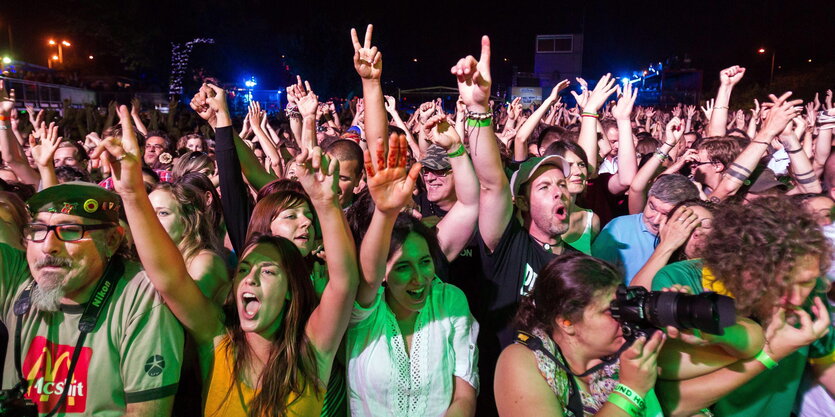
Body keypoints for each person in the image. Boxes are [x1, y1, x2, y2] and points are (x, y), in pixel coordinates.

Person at [95, 98, 359, 417]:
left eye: (268, 271)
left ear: (292, 288)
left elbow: (343, 283)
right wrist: (132, 193)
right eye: (245, 268)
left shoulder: (314, 347)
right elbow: (169, 277)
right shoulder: (217, 341)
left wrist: (326, 203)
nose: (249, 278)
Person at [0, 181, 184, 416]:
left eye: (69, 230)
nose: (48, 246)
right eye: (38, 229)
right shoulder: (18, 276)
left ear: (111, 241)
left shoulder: (140, 296)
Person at [651, 196, 835, 417]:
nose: (796, 299)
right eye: (780, 282)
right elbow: (672, 403)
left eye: (806, 282)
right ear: (744, 266)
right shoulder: (682, 281)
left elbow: (826, 365)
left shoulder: (809, 293)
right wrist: (770, 352)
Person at [346, 131, 479, 417]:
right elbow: (368, 276)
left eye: (425, 262)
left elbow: (464, 393)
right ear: (383, 272)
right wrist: (385, 212)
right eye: (403, 267)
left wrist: (456, 147)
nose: (420, 278)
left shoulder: (449, 301)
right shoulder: (364, 312)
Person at [494, 253, 666, 417]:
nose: (623, 317)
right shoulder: (522, 360)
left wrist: (686, 329)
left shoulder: (624, 350)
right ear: (566, 322)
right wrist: (630, 390)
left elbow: (677, 397)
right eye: (611, 311)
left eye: (622, 306)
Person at [592, 174, 699, 284]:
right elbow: (595, 277)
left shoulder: (694, 237)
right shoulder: (619, 228)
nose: (656, 220)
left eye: (667, 214)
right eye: (652, 207)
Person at [149, 182, 228, 304]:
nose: (151, 220)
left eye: (163, 213)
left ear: (187, 223)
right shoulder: (156, 261)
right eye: (147, 212)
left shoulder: (203, 262)